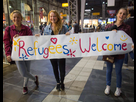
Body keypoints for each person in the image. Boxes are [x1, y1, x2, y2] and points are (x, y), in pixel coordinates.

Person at [3, 10, 39, 95]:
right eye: (14, 17)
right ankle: (34, 78)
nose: (16, 19)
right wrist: (8, 54)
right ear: (12, 19)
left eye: (18, 17)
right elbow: (6, 42)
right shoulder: (8, 29)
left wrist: (35, 37)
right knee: (24, 73)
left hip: (27, 53)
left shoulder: (26, 28)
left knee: (27, 70)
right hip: (17, 54)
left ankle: (25, 86)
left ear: (21, 18)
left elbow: (30, 39)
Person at [35, 10, 70, 91]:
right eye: (51, 16)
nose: (52, 18)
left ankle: (62, 82)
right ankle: (58, 82)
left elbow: (68, 40)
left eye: (54, 16)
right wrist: (39, 36)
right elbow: (44, 39)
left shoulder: (64, 27)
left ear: (57, 17)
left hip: (61, 51)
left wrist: (68, 35)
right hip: (51, 51)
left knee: (62, 68)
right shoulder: (46, 28)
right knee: (54, 67)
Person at [104, 8, 133, 97]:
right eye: (120, 13)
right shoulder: (109, 26)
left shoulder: (127, 28)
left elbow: (129, 40)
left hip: (120, 54)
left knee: (118, 71)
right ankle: (108, 86)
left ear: (126, 16)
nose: (121, 15)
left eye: (124, 14)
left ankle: (118, 88)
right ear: (117, 14)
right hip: (109, 53)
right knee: (108, 70)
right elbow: (103, 37)